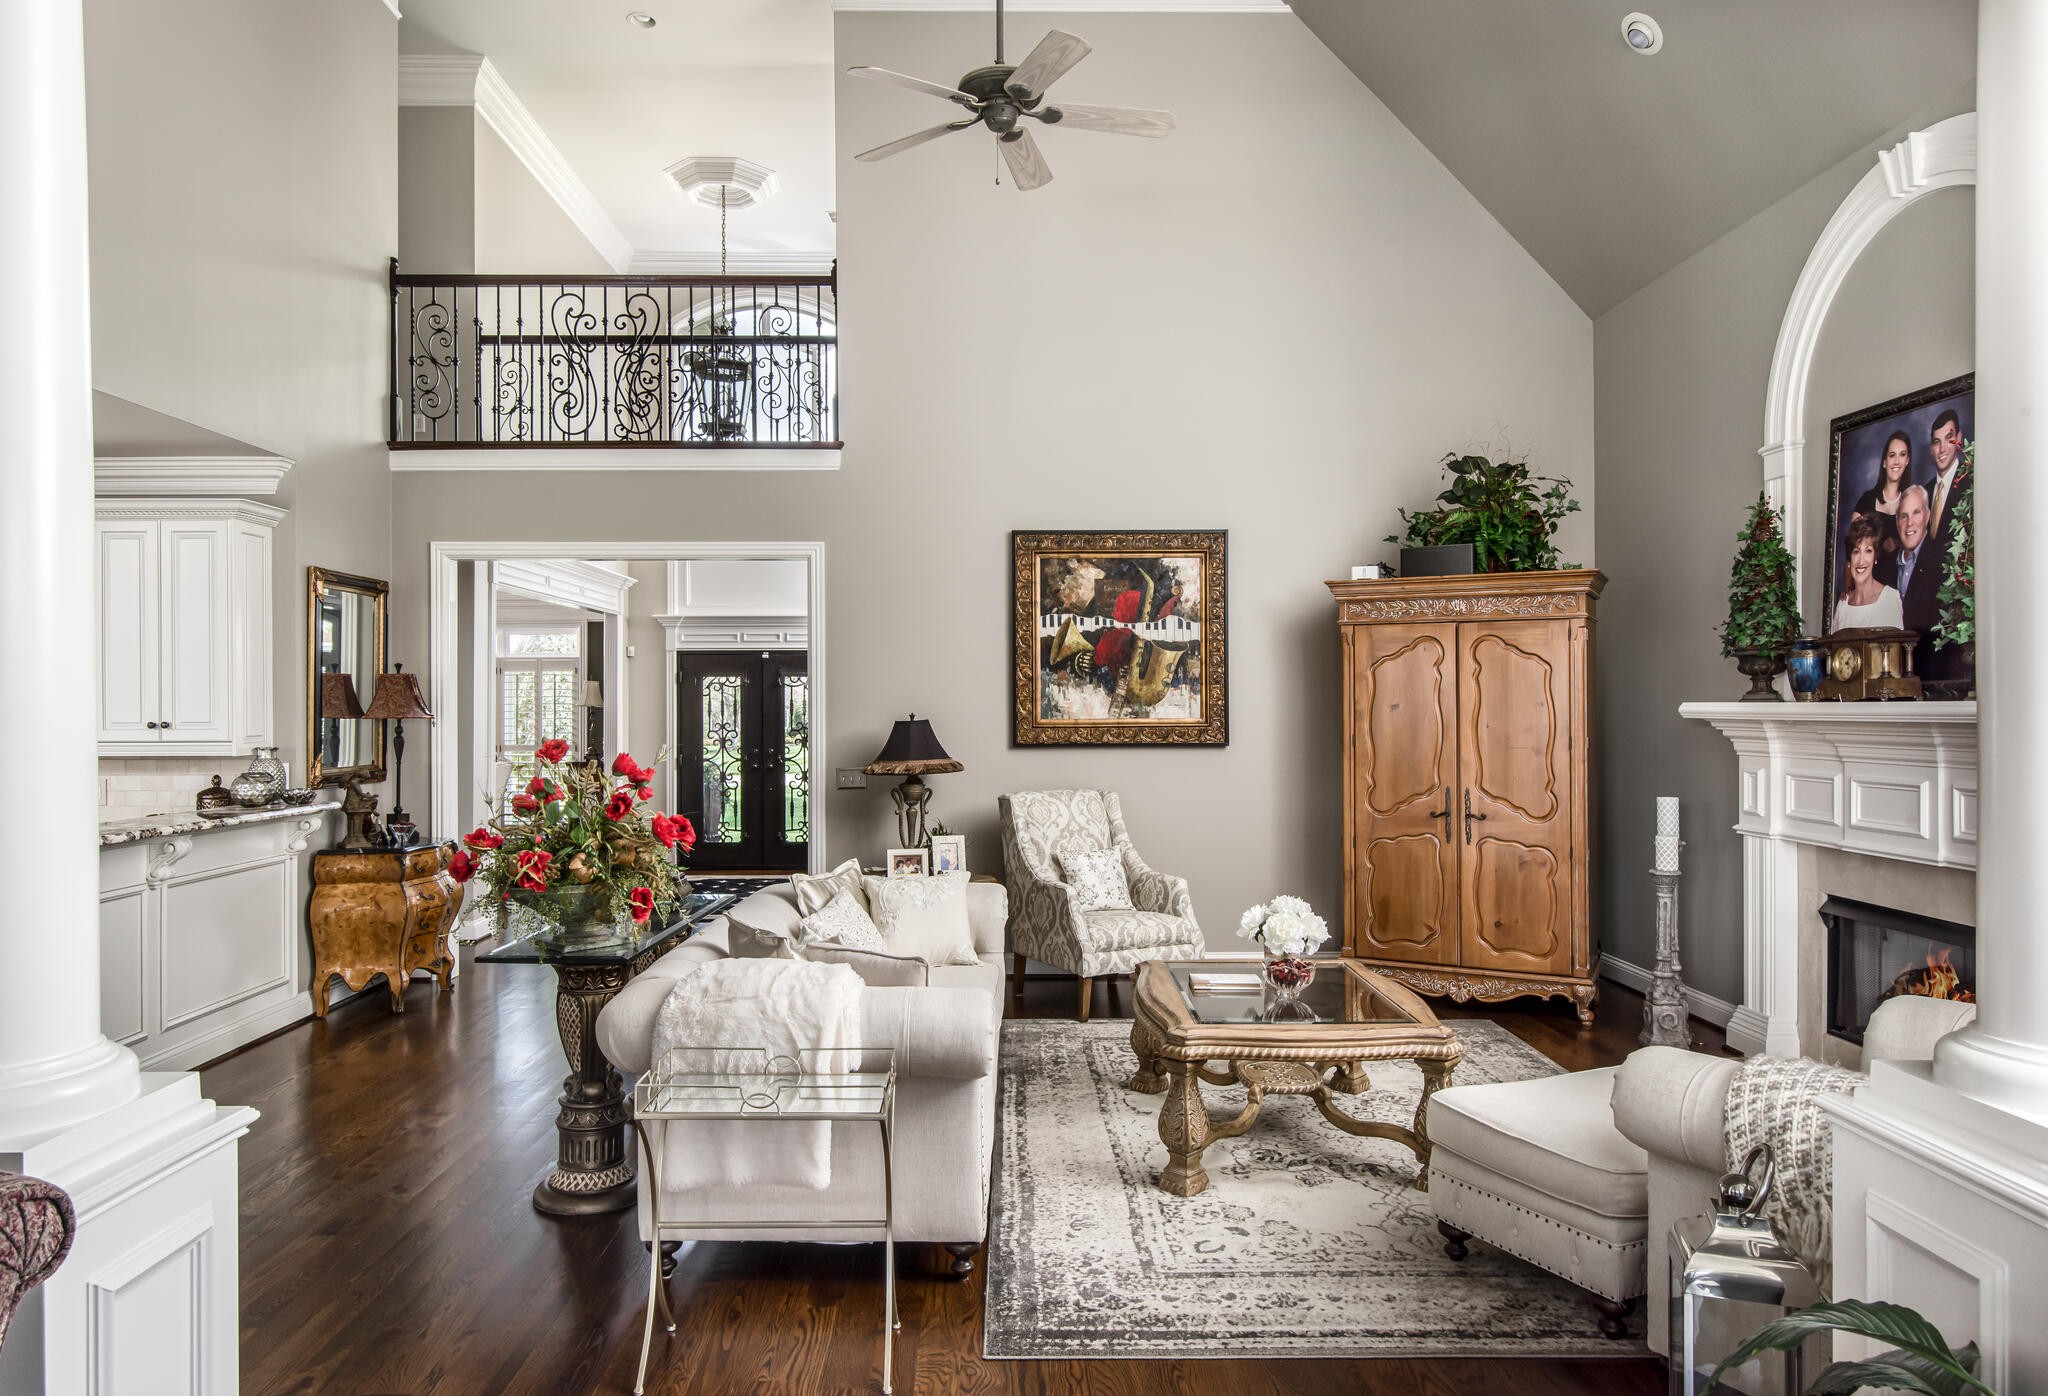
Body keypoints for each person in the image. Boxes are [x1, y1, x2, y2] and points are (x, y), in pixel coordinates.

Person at [1879, 485, 1941, 635]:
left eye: (1916, 513)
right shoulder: (1882, 568)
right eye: (1903, 516)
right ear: (1897, 521)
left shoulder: (1942, 563)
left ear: (1927, 516)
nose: (1910, 523)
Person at [1831, 514, 1904, 631]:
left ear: (1875, 557)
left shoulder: (1889, 599)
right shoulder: (1842, 606)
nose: (1861, 561)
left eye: (1868, 551)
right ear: (1849, 559)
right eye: (1856, 551)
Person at [1851, 430, 1913, 559]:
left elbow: (1918, 552)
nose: (1897, 461)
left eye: (1902, 455)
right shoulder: (1867, 500)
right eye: (1892, 455)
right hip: (1869, 571)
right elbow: (1851, 551)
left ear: (1907, 460)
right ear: (1884, 462)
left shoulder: (1912, 503)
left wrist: (1899, 546)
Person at [1925, 408, 1967, 557]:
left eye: (1949, 438)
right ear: (1931, 449)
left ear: (1959, 438)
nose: (1942, 449)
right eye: (1937, 442)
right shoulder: (1924, 492)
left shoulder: (1970, 483)